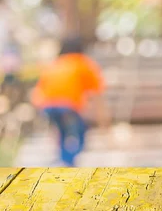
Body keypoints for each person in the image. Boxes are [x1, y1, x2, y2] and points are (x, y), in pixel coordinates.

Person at [31, 36, 106, 167]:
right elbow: (97, 94)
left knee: (63, 132)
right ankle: (68, 160)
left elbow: (38, 91)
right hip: (67, 105)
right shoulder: (83, 63)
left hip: (47, 105)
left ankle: (63, 158)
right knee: (81, 132)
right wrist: (103, 122)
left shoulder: (55, 63)